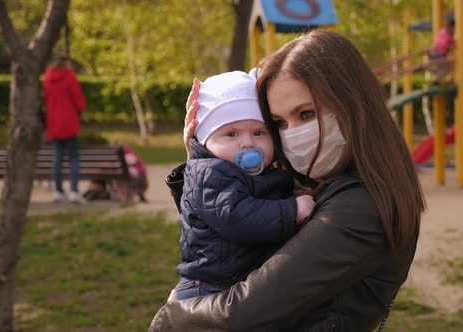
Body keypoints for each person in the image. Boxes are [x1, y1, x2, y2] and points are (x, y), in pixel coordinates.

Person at [151, 30, 425, 331]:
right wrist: (203, 159)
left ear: (352, 105)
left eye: (306, 114)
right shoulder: (324, 181)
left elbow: (243, 312)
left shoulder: (361, 207)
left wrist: (172, 314)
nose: (293, 133)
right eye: (279, 123)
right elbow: (230, 226)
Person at [166, 70, 315, 300]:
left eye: (258, 132)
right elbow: (237, 216)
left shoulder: (266, 174)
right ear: (205, 139)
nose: (247, 143)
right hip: (208, 288)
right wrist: (293, 209)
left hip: (235, 283)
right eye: (231, 134)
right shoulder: (209, 173)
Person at [43, 53, 87, 203]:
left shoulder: (47, 78)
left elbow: (45, 99)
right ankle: (74, 191)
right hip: (69, 123)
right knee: (73, 158)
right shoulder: (69, 77)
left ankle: (58, 191)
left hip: (53, 124)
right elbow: (79, 101)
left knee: (57, 159)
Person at [429, 17, 455, 84]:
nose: (454, 30)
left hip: (435, 52)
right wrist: (452, 46)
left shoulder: (443, 31)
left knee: (444, 67)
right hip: (438, 53)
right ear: (451, 27)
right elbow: (444, 45)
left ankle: (436, 77)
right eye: (453, 28)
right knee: (445, 68)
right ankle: (436, 80)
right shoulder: (448, 35)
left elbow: (439, 42)